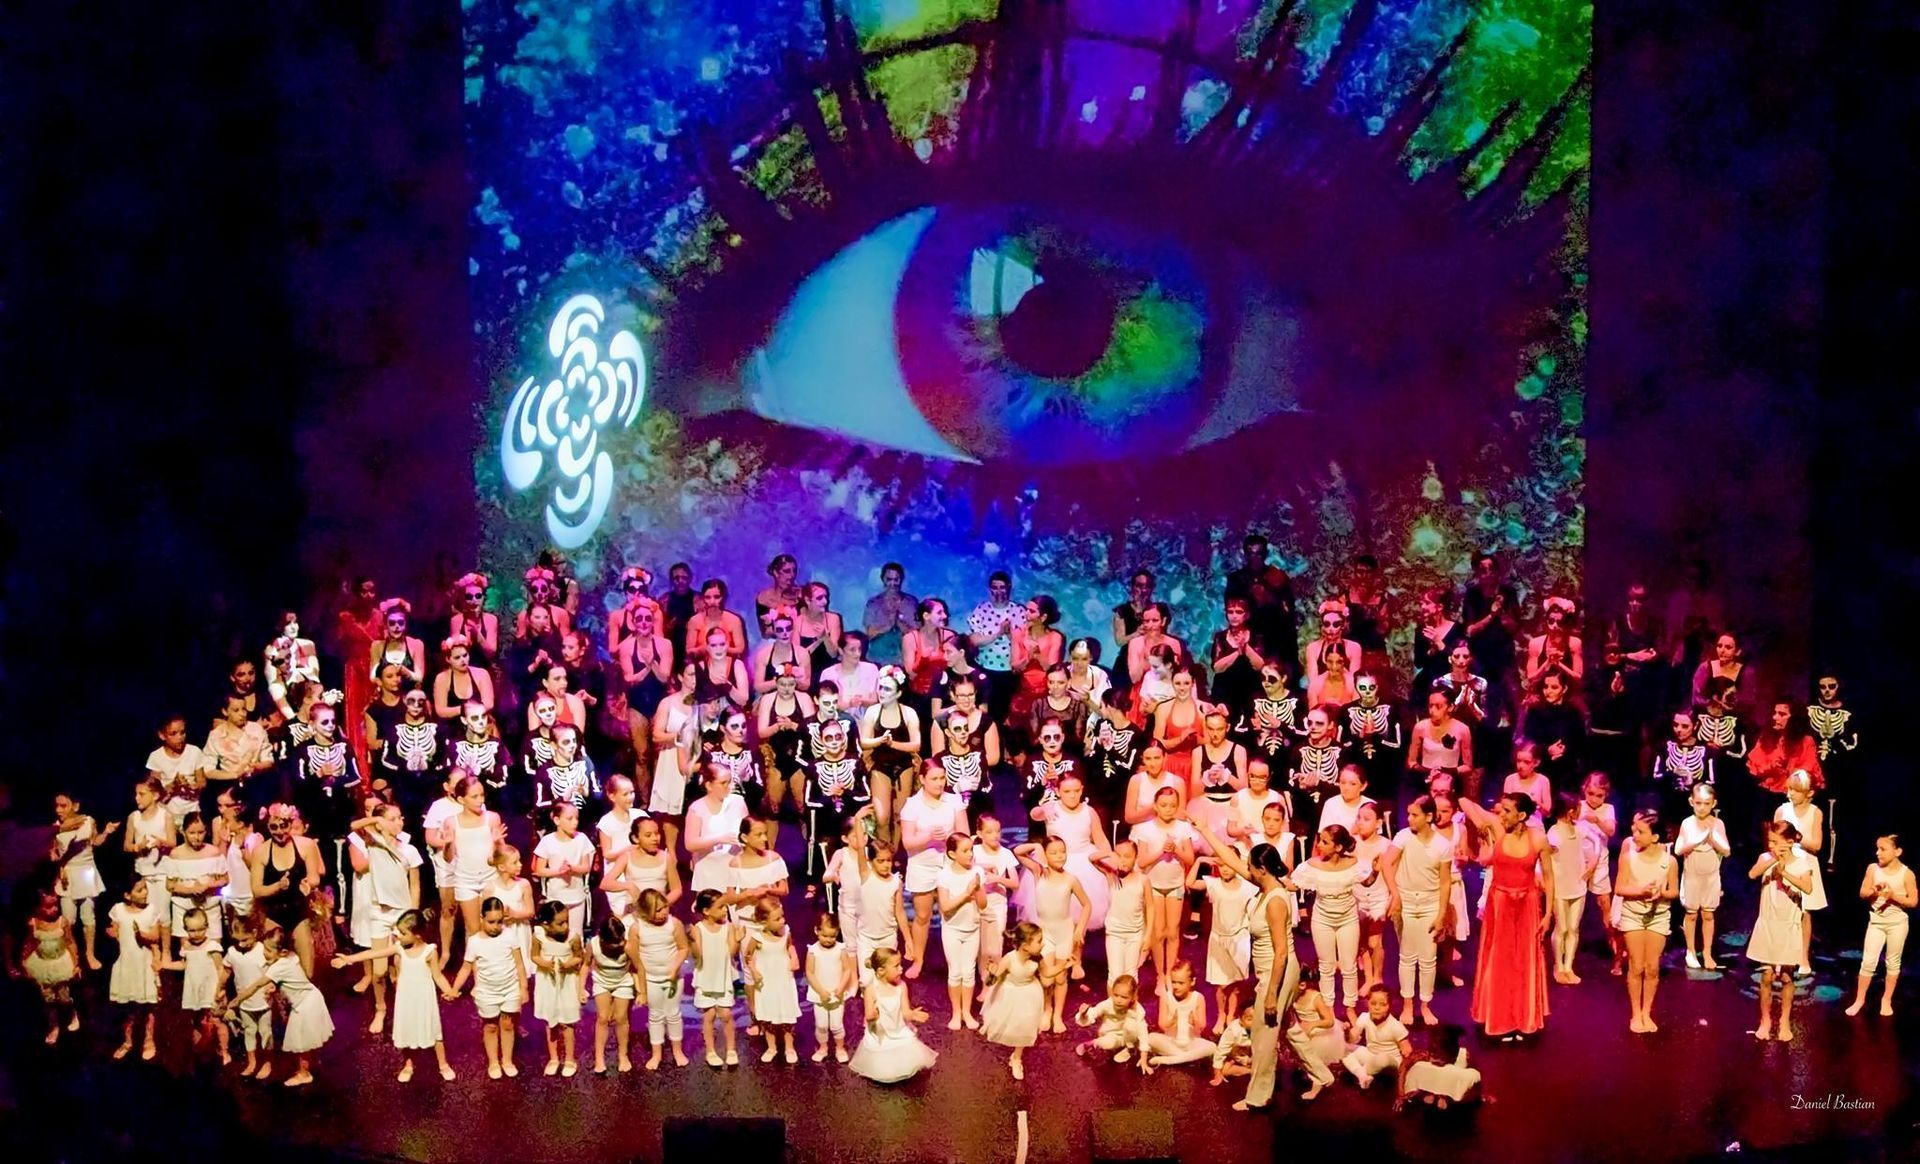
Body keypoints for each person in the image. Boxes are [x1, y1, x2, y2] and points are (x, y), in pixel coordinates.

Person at [1455, 793, 1551, 1041]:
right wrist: (1483, 823)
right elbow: (1465, 803)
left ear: (1521, 816)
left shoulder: (1538, 838)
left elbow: (1550, 880)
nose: (1501, 814)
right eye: (1501, 810)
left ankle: (1522, 1019)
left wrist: (1548, 913)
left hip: (1528, 905)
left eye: (1507, 810)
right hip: (1500, 905)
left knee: (1524, 962)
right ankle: (1501, 1020)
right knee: (1500, 961)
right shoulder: (1497, 828)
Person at [330, 908, 458, 1082]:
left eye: (403, 933)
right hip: (406, 999)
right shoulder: (399, 949)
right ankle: (408, 1064)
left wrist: (449, 990)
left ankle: (442, 1064)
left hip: (424, 1000)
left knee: (433, 1030)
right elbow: (373, 953)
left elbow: (437, 975)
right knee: (407, 1029)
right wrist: (349, 959)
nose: (398, 935)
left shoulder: (429, 952)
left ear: (417, 934)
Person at [227, 925, 334, 1086]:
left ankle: (304, 1074)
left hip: (305, 1005)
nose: (265, 953)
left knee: (301, 1041)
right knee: (308, 1038)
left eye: (269, 951)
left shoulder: (278, 966)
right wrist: (275, 987)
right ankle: (308, 1066)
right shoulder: (291, 957)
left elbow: (256, 986)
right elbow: (289, 979)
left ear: (282, 952)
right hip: (312, 997)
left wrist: (237, 1000)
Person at [1285, 824, 1374, 1016]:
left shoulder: (1353, 864)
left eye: (1325, 842)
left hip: (1347, 919)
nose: (1319, 845)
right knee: (1326, 966)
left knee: (1349, 965)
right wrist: (1273, 879)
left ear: (1338, 847)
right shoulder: (1312, 866)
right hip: (1322, 920)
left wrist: (1375, 870)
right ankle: (1329, 1009)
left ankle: (1350, 1008)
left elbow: (1367, 881)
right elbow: (1294, 885)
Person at [1384, 794, 1453, 1027]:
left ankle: (1425, 1005)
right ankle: (1407, 1004)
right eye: (1409, 814)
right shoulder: (1403, 836)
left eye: (1415, 815)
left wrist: (1442, 914)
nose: (1409, 819)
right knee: (1407, 955)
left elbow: (1445, 882)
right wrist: (1394, 893)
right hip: (1406, 902)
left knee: (1428, 959)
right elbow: (1386, 863)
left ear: (1429, 816)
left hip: (1429, 903)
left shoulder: (1442, 845)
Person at [1012, 837, 1091, 1033]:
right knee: (1047, 977)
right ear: (1045, 855)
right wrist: (1036, 846)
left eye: (1062, 851)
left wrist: (1080, 927)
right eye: (1053, 852)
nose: (1059, 856)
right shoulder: (1040, 872)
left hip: (1064, 932)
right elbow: (1018, 852)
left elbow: (1087, 904)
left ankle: (1057, 1016)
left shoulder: (1071, 879)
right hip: (1044, 933)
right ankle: (1047, 1008)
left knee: (1061, 976)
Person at [448, 895, 530, 1077]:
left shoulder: (509, 935)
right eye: (491, 922)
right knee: (491, 1026)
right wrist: (454, 988)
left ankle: (507, 1060)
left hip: (509, 988)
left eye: (500, 921)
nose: (496, 926)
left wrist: (523, 987)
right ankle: (493, 1062)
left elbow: (519, 963)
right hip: (487, 992)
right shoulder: (475, 941)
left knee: (508, 1024)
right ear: (482, 919)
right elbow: (466, 967)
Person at [1748, 820, 1815, 1041]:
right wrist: (1774, 860)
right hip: (1768, 922)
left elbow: (1807, 888)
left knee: (1786, 977)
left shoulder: (1802, 863)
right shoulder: (1766, 859)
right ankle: (1765, 1020)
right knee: (1766, 975)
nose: (1771, 845)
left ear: (1789, 841)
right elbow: (1752, 874)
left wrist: (1785, 873)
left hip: (1789, 925)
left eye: (1776, 842)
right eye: (1770, 841)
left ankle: (1784, 1020)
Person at [899, 765, 967, 980]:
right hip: (922, 865)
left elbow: (964, 834)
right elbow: (908, 842)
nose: (940, 782)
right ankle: (918, 960)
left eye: (942, 778)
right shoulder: (912, 806)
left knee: (955, 913)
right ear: (922, 779)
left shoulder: (954, 801)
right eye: (934, 778)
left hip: (949, 863)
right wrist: (927, 837)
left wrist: (950, 839)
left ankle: (958, 961)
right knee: (922, 915)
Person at [1614, 809, 1678, 1033]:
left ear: (1655, 837)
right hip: (1633, 915)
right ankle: (1635, 1014)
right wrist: (1640, 891)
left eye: (1640, 831)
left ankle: (1646, 1013)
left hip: (1658, 917)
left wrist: (1661, 894)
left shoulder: (1669, 861)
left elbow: (1674, 892)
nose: (1634, 833)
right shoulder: (1628, 857)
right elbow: (1619, 888)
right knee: (1636, 965)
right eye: (1634, 828)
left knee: (1652, 968)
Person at [1847, 834, 1914, 1017]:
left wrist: (1892, 895)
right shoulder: (1872, 869)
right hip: (1876, 922)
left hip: (1897, 924)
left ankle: (1886, 999)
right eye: (1877, 848)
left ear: (1897, 851)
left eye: (1883, 849)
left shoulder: (1906, 874)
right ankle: (1859, 999)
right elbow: (1862, 893)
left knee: (1893, 962)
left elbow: (1913, 901)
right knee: (1868, 961)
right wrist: (1873, 891)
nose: (1878, 853)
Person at [850, 946, 938, 1083]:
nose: (901, 969)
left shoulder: (901, 986)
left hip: (897, 1028)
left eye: (900, 965)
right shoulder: (871, 989)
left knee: (907, 1042)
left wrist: (913, 1015)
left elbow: (905, 1012)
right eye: (896, 966)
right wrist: (873, 1015)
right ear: (881, 971)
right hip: (881, 1032)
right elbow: (868, 1015)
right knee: (883, 1055)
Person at [49, 793, 115, 971]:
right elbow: (54, 856)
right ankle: (72, 954)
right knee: (68, 920)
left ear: (75, 806)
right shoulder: (55, 827)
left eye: (63, 806)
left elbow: (95, 842)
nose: (59, 810)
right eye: (57, 806)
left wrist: (106, 832)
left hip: (86, 872)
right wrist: (60, 867)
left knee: (88, 916)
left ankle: (90, 953)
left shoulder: (87, 821)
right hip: (68, 874)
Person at [980, 921, 1054, 1081]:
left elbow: (1047, 973)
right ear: (1026, 946)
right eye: (1039, 941)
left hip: (1029, 995)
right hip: (1010, 995)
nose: (1043, 944)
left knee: (1025, 1026)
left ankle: (1017, 1057)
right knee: (1013, 1025)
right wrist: (992, 972)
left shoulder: (1037, 958)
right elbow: (992, 981)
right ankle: (1015, 1055)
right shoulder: (1009, 959)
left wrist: (1064, 965)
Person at [1773, 771, 1829, 977]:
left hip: (1805, 863)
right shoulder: (1781, 810)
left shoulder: (1815, 812)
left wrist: (1796, 837)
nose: (1790, 794)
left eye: (1796, 791)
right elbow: (1774, 839)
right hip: (1785, 863)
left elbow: (1816, 844)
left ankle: (1803, 956)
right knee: (1782, 912)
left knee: (1805, 913)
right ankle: (1780, 956)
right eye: (1789, 789)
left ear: (1809, 793)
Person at [1675, 782, 1731, 970]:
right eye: (1698, 803)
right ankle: (1690, 951)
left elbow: (1727, 850)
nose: (1702, 807)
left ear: (1714, 803)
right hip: (1692, 875)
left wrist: (1712, 839)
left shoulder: (1718, 824)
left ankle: (1707, 952)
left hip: (1711, 876)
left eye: (1706, 803)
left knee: (1708, 914)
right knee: (1691, 913)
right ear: (1691, 802)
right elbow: (1678, 849)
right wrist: (1698, 839)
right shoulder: (1687, 823)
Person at [936, 833, 987, 1027]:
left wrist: (978, 888)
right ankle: (956, 1013)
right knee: (955, 972)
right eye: (965, 851)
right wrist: (966, 894)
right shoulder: (944, 875)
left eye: (971, 850)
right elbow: (945, 906)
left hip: (972, 928)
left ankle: (967, 1012)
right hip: (952, 930)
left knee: (968, 971)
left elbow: (982, 904)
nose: (970, 854)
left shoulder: (977, 872)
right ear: (952, 854)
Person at [743, 898, 801, 1064]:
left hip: (783, 981)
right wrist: (754, 971)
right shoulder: (757, 938)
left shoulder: (786, 933)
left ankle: (790, 1047)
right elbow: (748, 956)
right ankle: (771, 1047)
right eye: (777, 919)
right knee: (768, 1018)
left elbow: (790, 946)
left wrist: (794, 957)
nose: (782, 921)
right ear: (763, 921)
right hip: (766, 983)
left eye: (782, 916)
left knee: (787, 1017)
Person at [690, 889, 741, 1067]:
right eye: (720, 907)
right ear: (706, 911)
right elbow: (698, 955)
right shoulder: (698, 929)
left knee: (726, 1014)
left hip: (723, 977)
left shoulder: (728, 927)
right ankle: (710, 1051)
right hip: (706, 978)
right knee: (709, 1016)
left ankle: (731, 1049)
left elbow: (732, 953)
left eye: (725, 906)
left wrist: (738, 939)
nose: (725, 910)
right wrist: (691, 942)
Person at [22, 891, 79, 1046]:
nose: (53, 910)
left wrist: (76, 964)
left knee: (63, 997)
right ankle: (53, 1026)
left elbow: (70, 942)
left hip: (60, 963)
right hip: (42, 964)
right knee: (48, 999)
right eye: (48, 907)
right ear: (38, 908)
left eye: (55, 905)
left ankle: (72, 1013)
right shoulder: (33, 923)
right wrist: (24, 961)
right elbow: (30, 943)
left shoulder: (62, 922)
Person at [221, 919, 275, 1078]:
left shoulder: (263, 949)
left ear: (254, 933)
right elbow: (226, 971)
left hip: (264, 1002)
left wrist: (273, 985)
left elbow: (274, 969)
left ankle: (267, 1062)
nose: (242, 944)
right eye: (237, 940)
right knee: (249, 1032)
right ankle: (252, 1061)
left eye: (245, 939)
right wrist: (220, 988)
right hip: (245, 1003)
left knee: (266, 1032)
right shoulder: (232, 952)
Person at [587, 910, 639, 1074]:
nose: (619, 946)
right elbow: (584, 965)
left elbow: (639, 968)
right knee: (603, 1018)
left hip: (623, 982)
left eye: (620, 941)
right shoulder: (594, 944)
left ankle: (623, 1055)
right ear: (603, 939)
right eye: (614, 943)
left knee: (621, 1018)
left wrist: (642, 991)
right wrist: (580, 987)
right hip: (602, 982)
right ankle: (599, 1058)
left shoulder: (628, 946)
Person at [967, 571, 1022, 722]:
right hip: (985, 668)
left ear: (1009, 588)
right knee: (984, 709)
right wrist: (998, 634)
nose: (998, 592)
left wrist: (1009, 632)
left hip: (1008, 671)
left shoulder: (1018, 611)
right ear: (990, 589)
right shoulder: (981, 610)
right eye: (995, 588)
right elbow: (974, 640)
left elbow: (1021, 642)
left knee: (1004, 712)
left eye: (1002, 587)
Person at [805, 913, 858, 1063]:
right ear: (817, 931)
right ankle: (823, 1047)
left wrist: (841, 988)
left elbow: (847, 970)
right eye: (825, 936)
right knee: (821, 1024)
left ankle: (840, 1048)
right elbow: (809, 972)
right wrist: (821, 991)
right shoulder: (813, 950)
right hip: (819, 993)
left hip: (837, 993)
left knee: (836, 1024)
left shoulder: (841, 949)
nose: (829, 940)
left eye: (833, 936)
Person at [1074, 974, 1153, 1073]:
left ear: (1132, 998)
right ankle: (1090, 1044)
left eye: (1124, 997)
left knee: (1131, 1025)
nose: (1118, 1000)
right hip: (1113, 1034)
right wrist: (1084, 1014)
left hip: (1130, 1036)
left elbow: (1143, 1033)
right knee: (1107, 1043)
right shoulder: (1108, 1004)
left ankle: (1129, 1049)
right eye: (1116, 995)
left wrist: (1144, 1060)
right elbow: (1094, 1012)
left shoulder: (1138, 1010)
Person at [1144, 961, 1216, 1069]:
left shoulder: (1198, 998)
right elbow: (1162, 1025)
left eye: (1181, 983)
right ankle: (1185, 1058)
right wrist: (1172, 1021)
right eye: (1174, 982)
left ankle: (1170, 1060)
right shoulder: (1166, 997)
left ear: (1192, 982)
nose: (1176, 986)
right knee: (1150, 1038)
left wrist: (1195, 1021)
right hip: (1171, 1041)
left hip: (1192, 1042)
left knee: (1212, 1047)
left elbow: (1202, 1026)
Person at [1343, 985, 1413, 1090]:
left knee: (1382, 1059)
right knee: (1342, 1049)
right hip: (1371, 1055)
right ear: (1368, 1003)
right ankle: (1363, 1076)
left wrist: (1406, 1052)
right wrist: (1347, 1032)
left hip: (1389, 1061)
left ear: (1389, 1006)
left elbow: (1406, 1049)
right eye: (1373, 1003)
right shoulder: (1364, 1017)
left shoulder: (1396, 1026)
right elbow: (1352, 1039)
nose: (1377, 1008)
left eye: (1382, 1004)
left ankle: (1362, 1073)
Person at [861, 562, 918, 668]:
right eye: (889, 579)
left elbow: (917, 634)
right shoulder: (873, 604)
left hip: (904, 661)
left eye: (896, 579)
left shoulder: (911, 602)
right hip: (877, 661)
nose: (893, 583)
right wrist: (887, 626)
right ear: (883, 580)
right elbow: (869, 634)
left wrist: (901, 624)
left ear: (901, 580)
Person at [794, 581, 844, 683]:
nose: (825, 601)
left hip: (829, 673)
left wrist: (825, 637)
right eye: (819, 598)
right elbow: (797, 657)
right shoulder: (798, 622)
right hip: (808, 675)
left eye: (825, 597)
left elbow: (833, 654)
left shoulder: (833, 619)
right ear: (807, 600)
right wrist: (818, 641)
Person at [754, 553, 804, 639]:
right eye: (787, 571)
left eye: (794, 571)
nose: (792, 576)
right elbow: (765, 634)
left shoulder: (802, 596)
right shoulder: (763, 598)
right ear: (776, 573)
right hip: (777, 644)